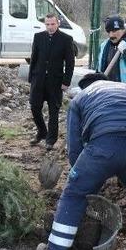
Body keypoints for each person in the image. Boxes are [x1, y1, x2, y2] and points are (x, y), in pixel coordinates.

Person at [36, 73, 126, 250]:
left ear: (85, 86)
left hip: (103, 146)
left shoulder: (79, 99)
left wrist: (84, 177)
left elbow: (75, 147)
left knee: (74, 194)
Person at [28, 13, 75, 150]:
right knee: (34, 107)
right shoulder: (38, 37)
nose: (50, 27)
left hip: (55, 81)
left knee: (54, 111)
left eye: (52, 24)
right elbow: (34, 58)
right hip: (39, 79)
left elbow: (70, 62)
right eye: (47, 24)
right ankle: (42, 131)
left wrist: (66, 81)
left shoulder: (66, 39)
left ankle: (51, 140)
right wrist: (32, 77)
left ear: (58, 23)